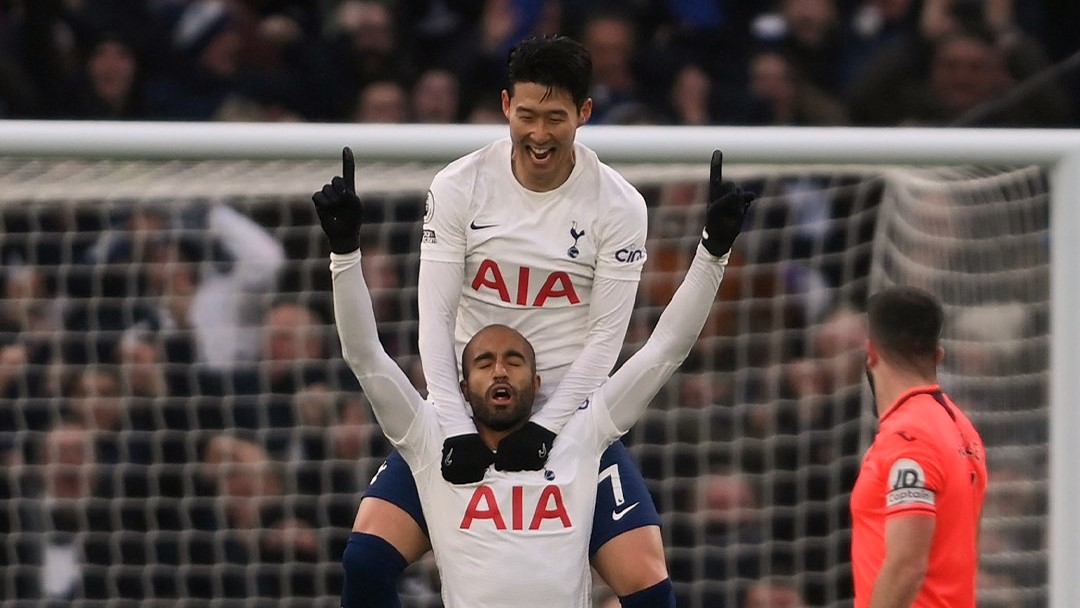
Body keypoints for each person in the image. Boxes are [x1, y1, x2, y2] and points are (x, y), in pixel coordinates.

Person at [313, 144, 753, 606]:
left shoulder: (583, 434)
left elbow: (664, 350)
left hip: (560, 420)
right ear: (463, 388)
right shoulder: (430, 437)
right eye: (483, 363)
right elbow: (364, 355)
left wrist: (712, 252)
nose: (500, 369)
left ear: (538, 383)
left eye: (515, 362)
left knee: (648, 585)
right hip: (456, 439)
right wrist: (344, 252)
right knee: (364, 559)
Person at [335, 35, 681, 607]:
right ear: (504, 107)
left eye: (555, 118)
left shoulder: (618, 206)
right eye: (526, 116)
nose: (539, 134)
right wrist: (453, 423)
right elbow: (435, 318)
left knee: (647, 586)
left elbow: (606, 339)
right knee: (365, 558)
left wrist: (551, 430)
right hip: (467, 411)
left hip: (570, 425)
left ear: (583, 114)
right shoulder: (460, 186)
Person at [851, 286, 988, 607]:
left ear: (871, 352)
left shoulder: (908, 439)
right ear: (937, 355)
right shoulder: (962, 428)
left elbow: (906, 566)